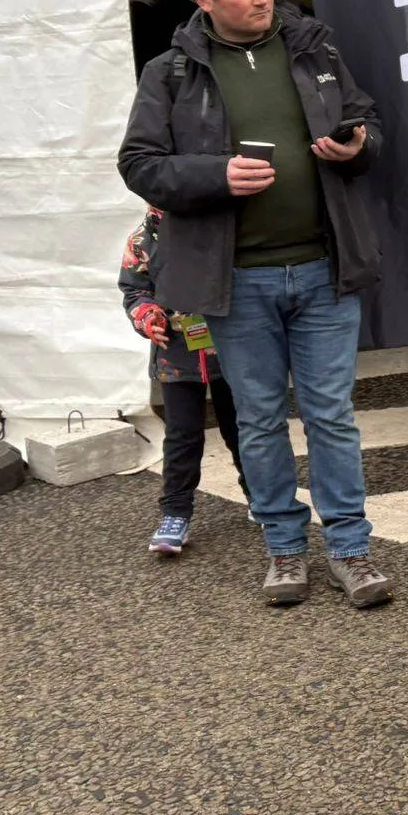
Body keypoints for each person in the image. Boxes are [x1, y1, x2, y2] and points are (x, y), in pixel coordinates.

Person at [117, 0, 392, 611]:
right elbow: (139, 163)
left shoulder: (313, 49)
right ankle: (285, 550)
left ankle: (351, 552)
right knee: (262, 418)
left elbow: (369, 129)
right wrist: (216, 175)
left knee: (331, 414)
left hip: (325, 270)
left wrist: (355, 145)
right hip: (235, 281)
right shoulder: (171, 73)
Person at [119, 206, 245, 556]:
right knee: (182, 436)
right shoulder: (142, 240)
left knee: (244, 428)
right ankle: (175, 513)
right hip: (175, 355)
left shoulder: (224, 228)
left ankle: (263, 498)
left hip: (232, 347)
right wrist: (147, 316)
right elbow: (133, 289)